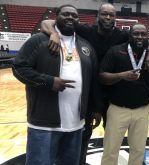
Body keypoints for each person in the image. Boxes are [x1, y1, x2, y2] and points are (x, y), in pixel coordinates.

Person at [41, 4, 149, 164]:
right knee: (84, 133)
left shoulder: (122, 35)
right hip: (90, 91)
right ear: (98, 16)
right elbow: (47, 23)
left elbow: (146, 40)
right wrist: (53, 33)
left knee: (112, 137)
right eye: (104, 14)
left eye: (111, 15)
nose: (108, 18)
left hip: (114, 93)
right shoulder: (86, 30)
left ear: (115, 18)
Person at [12, 4, 100, 165]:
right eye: (66, 14)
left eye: (74, 16)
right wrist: (49, 81)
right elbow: (18, 68)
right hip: (44, 124)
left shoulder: (86, 46)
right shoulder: (39, 41)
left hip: (76, 124)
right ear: (56, 16)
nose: (70, 18)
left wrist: (95, 109)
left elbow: (93, 82)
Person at [99, 23, 149, 165]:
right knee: (110, 150)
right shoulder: (115, 51)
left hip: (142, 111)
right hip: (117, 110)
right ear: (130, 35)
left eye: (143, 34)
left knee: (138, 151)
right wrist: (121, 76)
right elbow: (102, 76)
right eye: (136, 34)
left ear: (147, 36)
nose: (139, 37)